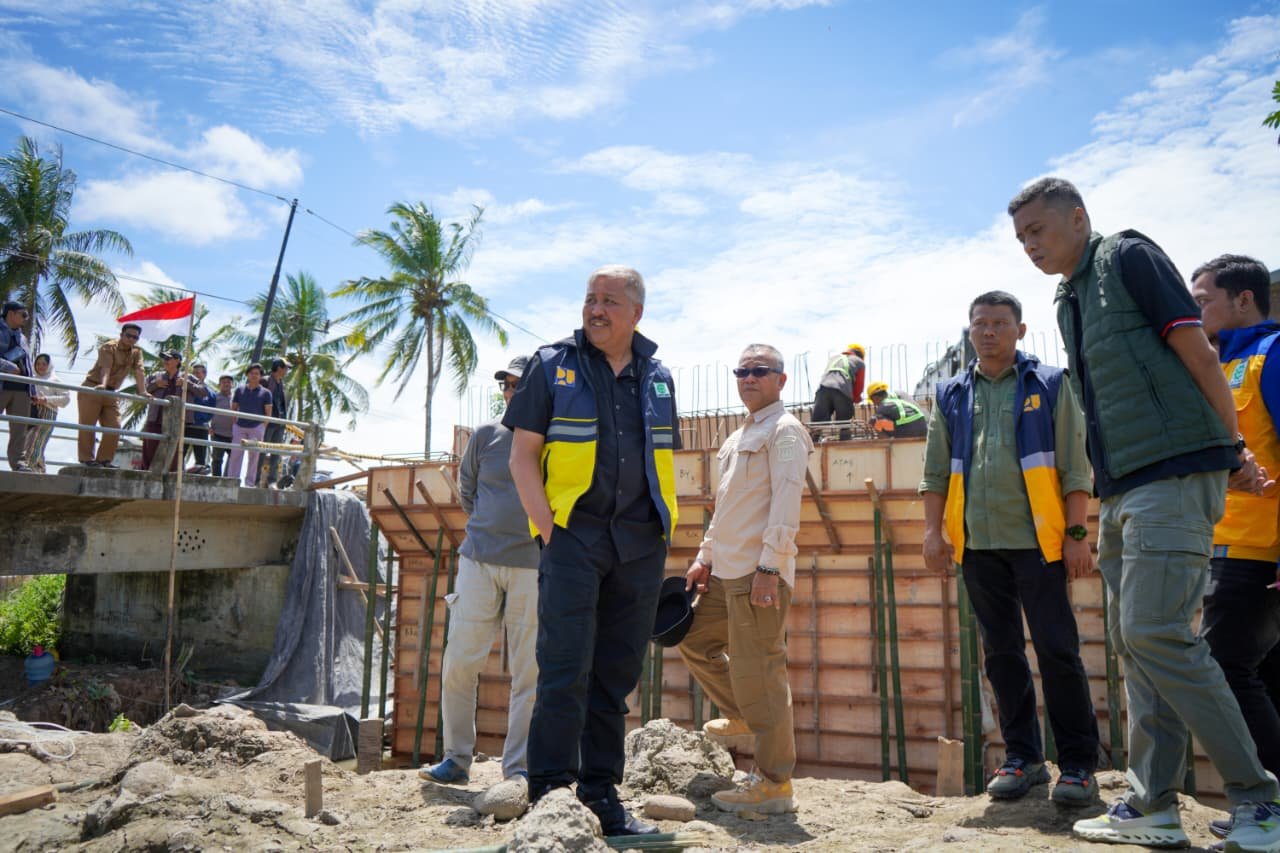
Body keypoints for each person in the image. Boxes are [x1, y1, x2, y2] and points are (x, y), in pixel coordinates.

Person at [1008, 176, 1280, 850]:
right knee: (1139, 645)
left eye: (1039, 231)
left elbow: (1197, 355)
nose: (1030, 247)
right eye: (1021, 239)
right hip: (1123, 486)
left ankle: (1258, 801)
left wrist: (1233, 450)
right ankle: (1152, 802)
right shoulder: (1071, 297)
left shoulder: (1126, 257)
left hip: (1175, 472)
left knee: (1159, 631)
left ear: (1077, 217)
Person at [505, 265, 679, 836]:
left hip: (639, 544)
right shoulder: (551, 365)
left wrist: (661, 533)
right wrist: (549, 531)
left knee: (614, 676)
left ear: (636, 312)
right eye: (590, 299)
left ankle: (602, 796)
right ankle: (551, 795)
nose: (596, 309)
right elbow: (522, 456)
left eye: (609, 300)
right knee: (563, 668)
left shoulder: (659, 377)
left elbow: (659, 462)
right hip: (573, 538)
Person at [920, 291, 1100, 805]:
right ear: (970, 330)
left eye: (1000, 323)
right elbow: (936, 469)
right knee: (1000, 655)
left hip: (1039, 544)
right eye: (981, 323)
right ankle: (1023, 758)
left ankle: (1078, 764)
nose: (989, 332)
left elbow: (1074, 466)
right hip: (978, 546)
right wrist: (934, 533)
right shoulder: (952, 392)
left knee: (1058, 651)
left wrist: (1077, 534)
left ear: (1021, 330)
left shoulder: (1049, 383)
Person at [678, 342, 812, 815]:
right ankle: (739, 713)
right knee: (693, 640)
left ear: (781, 380)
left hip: (759, 572)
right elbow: (727, 507)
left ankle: (775, 784)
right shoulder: (736, 439)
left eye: (760, 371)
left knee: (764, 673)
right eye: (742, 371)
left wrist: (770, 567)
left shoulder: (787, 432)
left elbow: (786, 501)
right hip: (725, 571)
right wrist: (705, 556)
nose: (749, 378)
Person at [1191, 254, 1280, 842]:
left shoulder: (1271, 357)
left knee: (1224, 667)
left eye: (1204, 299)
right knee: (1263, 675)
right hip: (1227, 546)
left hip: (1260, 551)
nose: (1195, 310)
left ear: (1243, 299)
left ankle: (1265, 806)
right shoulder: (1219, 365)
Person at [421, 355, 541, 788]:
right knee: (459, 662)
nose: (510, 392)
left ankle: (518, 768)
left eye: (519, 385)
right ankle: (456, 759)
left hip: (533, 566)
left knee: (529, 671)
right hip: (478, 561)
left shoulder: (557, 438)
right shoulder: (486, 435)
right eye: (506, 385)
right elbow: (467, 489)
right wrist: (491, 528)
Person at [78, 323, 148, 468]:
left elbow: (140, 371)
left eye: (135, 337)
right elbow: (106, 367)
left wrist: (143, 391)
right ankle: (87, 460)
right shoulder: (109, 347)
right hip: (93, 387)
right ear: (121, 335)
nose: (131, 339)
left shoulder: (136, 352)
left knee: (114, 426)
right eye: (128, 335)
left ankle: (104, 459)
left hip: (111, 391)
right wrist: (103, 385)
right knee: (88, 425)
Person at [141, 350, 208, 472]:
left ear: (177, 361)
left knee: (174, 454)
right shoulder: (156, 376)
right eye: (164, 358)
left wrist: (187, 384)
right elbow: (142, 391)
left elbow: (203, 392)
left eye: (168, 358)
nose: (165, 361)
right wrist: (156, 384)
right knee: (149, 451)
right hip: (154, 419)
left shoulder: (188, 377)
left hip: (176, 422)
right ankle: (146, 477)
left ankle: (171, 479)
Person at [226, 363, 273, 486]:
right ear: (247, 375)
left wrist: (262, 427)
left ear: (260, 376)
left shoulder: (266, 393)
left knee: (254, 457)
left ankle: (249, 483)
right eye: (251, 373)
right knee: (235, 454)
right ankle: (232, 480)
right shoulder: (240, 390)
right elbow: (234, 408)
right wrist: (234, 424)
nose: (254, 376)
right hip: (240, 426)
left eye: (257, 373)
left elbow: (268, 412)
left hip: (256, 427)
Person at [0, 301, 34, 471]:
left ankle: (18, 463)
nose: (26, 319)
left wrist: (32, 388)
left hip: (21, 389)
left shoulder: (23, 337)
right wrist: (8, 367)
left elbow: (27, 364)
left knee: (19, 428)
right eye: (23, 314)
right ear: (11, 314)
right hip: (2, 385)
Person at [24, 354, 71, 472]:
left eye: (44, 364)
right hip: (31, 411)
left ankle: (28, 467)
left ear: (49, 365)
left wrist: (46, 399)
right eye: (38, 364)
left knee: (35, 442)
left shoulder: (55, 380)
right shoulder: (31, 378)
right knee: (30, 441)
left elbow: (65, 399)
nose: (40, 366)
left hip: (47, 412)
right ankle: (39, 470)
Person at [811, 343, 865, 440]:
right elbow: (859, 387)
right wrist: (856, 398)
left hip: (822, 389)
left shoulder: (833, 358)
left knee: (816, 425)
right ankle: (845, 447)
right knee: (844, 425)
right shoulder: (860, 362)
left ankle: (812, 446)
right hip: (842, 391)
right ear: (860, 355)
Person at [260, 358, 290, 487]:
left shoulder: (280, 383)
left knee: (276, 453)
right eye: (286, 368)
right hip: (268, 422)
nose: (287, 371)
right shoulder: (266, 381)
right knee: (261, 450)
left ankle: (272, 480)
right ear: (279, 368)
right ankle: (256, 479)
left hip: (279, 423)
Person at [184, 363, 217, 474]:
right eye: (194, 373)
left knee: (201, 457)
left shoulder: (211, 392)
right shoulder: (186, 389)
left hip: (201, 427)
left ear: (204, 374)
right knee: (179, 454)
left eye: (199, 372)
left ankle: (199, 476)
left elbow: (213, 410)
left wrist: (203, 419)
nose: (196, 375)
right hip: (186, 425)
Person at [210, 374, 235, 477]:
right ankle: (215, 480)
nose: (226, 384)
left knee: (234, 459)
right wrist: (209, 426)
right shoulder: (214, 397)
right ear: (219, 384)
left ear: (232, 384)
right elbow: (208, 412)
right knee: (217, 460)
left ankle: (229, 480)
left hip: (233, 435)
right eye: (223, 382)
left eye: (228, 382)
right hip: (217, 433)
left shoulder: (236, 398)